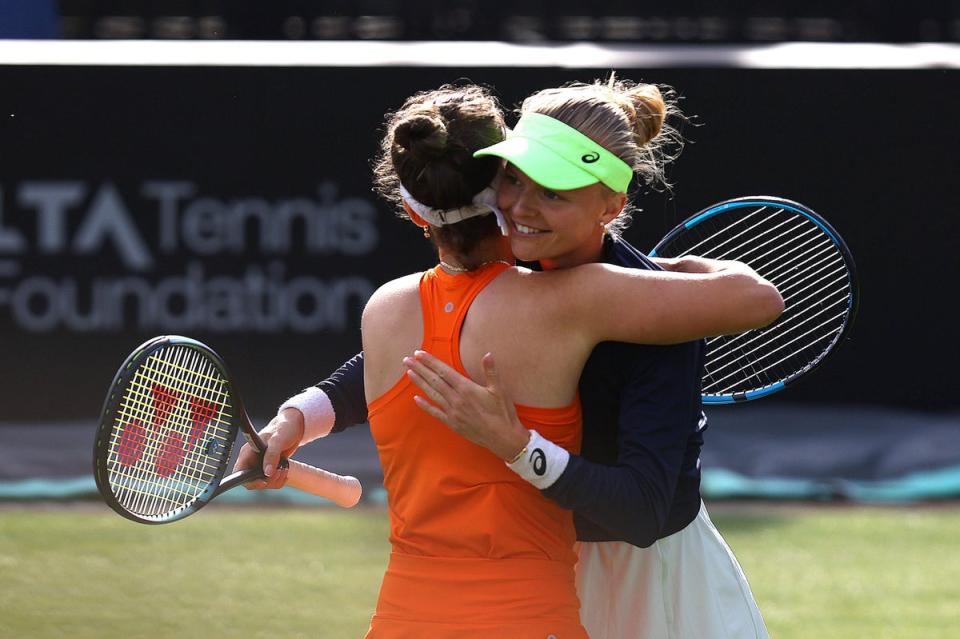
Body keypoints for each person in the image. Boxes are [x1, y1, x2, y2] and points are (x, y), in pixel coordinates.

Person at [236, 80, 780, 638]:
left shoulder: (660, 319)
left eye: (554, 193)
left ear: (611, 207)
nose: (520, 207)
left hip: (650, 581)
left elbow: (641, 516)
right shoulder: (519, 273)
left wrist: (521, 448)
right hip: (549, 575)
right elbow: (415, 358)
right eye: (514, 179)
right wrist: (301, 415)